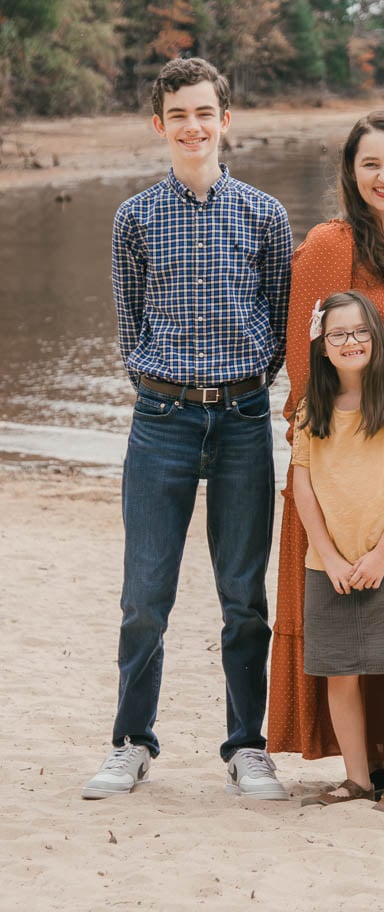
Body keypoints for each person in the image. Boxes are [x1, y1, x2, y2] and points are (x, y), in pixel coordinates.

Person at [82, 57, 293, 801]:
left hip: (241, 419)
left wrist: (242, 390)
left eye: (205, 113)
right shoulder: (134, 217)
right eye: (179, 116)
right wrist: (161, 385)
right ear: (160, 124)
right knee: (145, 596)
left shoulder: (265, 215)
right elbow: (128, 326)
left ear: (225, 120)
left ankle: (246, 747)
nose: (194, 127)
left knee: (244, 597)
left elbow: (277, 324)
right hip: (162, 421)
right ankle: (132, 742)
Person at [267, 111, 384, 769]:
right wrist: (318, 448)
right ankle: (357, 763)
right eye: (370, 163)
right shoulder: (329, 245)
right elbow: (303, 357)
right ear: (350, 173)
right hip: (346, 440)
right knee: (346, 596)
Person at [292, 291, 384, 815]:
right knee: (340, 673)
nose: (350, 342)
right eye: (338, 334)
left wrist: (379, 555)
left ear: (376, 336)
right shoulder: (313, 408)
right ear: (323, 346)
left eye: (359, 332)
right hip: (327, 565)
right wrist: (328, 556)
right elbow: (302, 487)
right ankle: (355, 777)